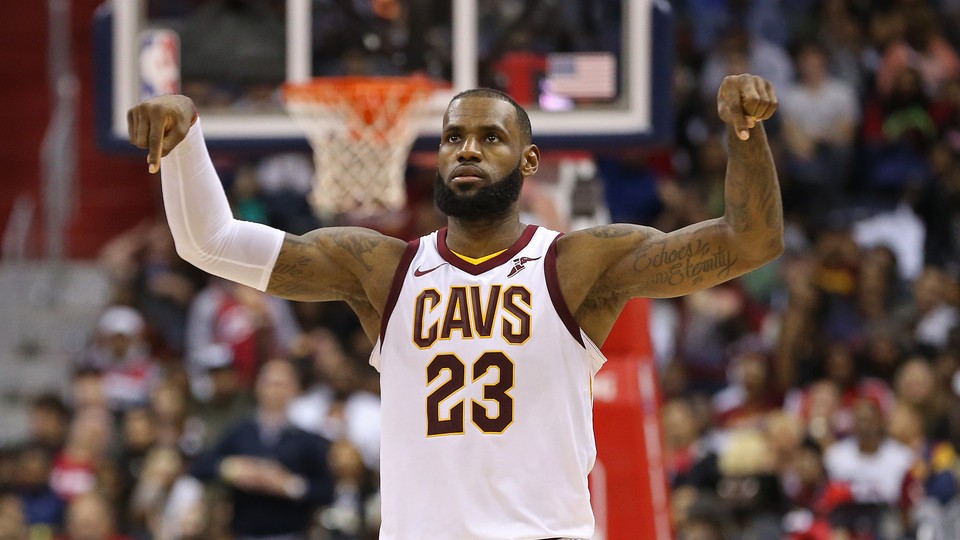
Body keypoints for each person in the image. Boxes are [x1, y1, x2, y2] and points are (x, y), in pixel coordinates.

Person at [128, 73, 783, 539]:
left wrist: (746, 135)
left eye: (489, 138)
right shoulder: (383, 268)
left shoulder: (578, 263)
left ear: (528, 162)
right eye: (452, 137)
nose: (467, 148)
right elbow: (211, 242)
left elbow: (750, 242)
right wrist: (186, 140)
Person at [188, 358, 334, 540]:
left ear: (294, 389)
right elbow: (200, 466)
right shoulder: (240, 433)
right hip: (245, 532)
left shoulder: (307, 441)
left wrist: (289, 485)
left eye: (281, 384)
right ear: (258, 387)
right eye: (269, 383)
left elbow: (327, 490)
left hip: (291, 531)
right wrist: (232, 468)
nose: (274, 391)